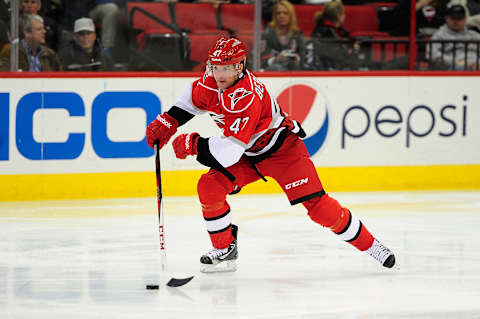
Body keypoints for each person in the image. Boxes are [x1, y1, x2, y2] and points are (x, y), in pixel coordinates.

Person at [145, 37, 396, 273]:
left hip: (282, 151)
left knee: (320, 209)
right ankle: (224, 249)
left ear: (240, 66)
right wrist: (167, 121)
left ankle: (373, 246)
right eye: (215, 67)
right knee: (209, 187)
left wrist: (194, 143)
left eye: (227, 68)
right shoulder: (211, 81)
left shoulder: (247, 96)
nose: (219, 75)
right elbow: (190, 101)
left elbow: (229, 152)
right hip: (248, 152)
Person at [308, 0, 363, 70]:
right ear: (338, 15)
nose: (345, 16)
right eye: (343, 13)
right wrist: (353, 50)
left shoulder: (337, 30)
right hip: (326, 71)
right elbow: (338, 56)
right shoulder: (326, 32)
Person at [430, 3, 480, 69]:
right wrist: (456, 62)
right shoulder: (439, 35)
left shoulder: (474, 35)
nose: (456, 21)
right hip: (454, 69)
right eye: (453, 18)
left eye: (459, 18)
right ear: (447, 18)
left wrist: (477, 63)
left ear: (465, 19)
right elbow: (433, 55)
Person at [261, 0, 305, 71]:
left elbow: (305, 57)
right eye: (278, 13)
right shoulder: (267, 34)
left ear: (291, 15)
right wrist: (276, 59)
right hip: (272, 71)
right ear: (274, 16)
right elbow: (261, 60)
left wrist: (298, 59)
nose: (282, 16)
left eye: (285, 13)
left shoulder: (297, 34)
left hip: (294, 71)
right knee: (278, 68)